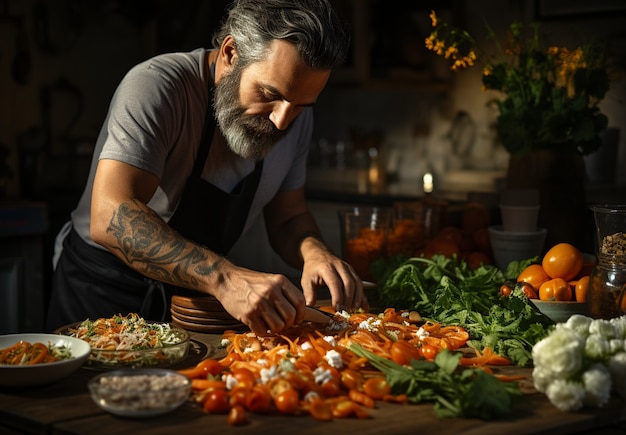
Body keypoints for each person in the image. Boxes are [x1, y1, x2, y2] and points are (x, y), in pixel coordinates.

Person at [45, 0, 366, 334]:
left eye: (300, 105)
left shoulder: (294, 117)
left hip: (190, 300)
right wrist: (225, 278)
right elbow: (110, 215)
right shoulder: (157, 87)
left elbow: (288, 218)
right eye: (269, 94)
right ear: (231, 53)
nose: (282, 121)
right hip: (101, 292)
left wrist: (314, 251)